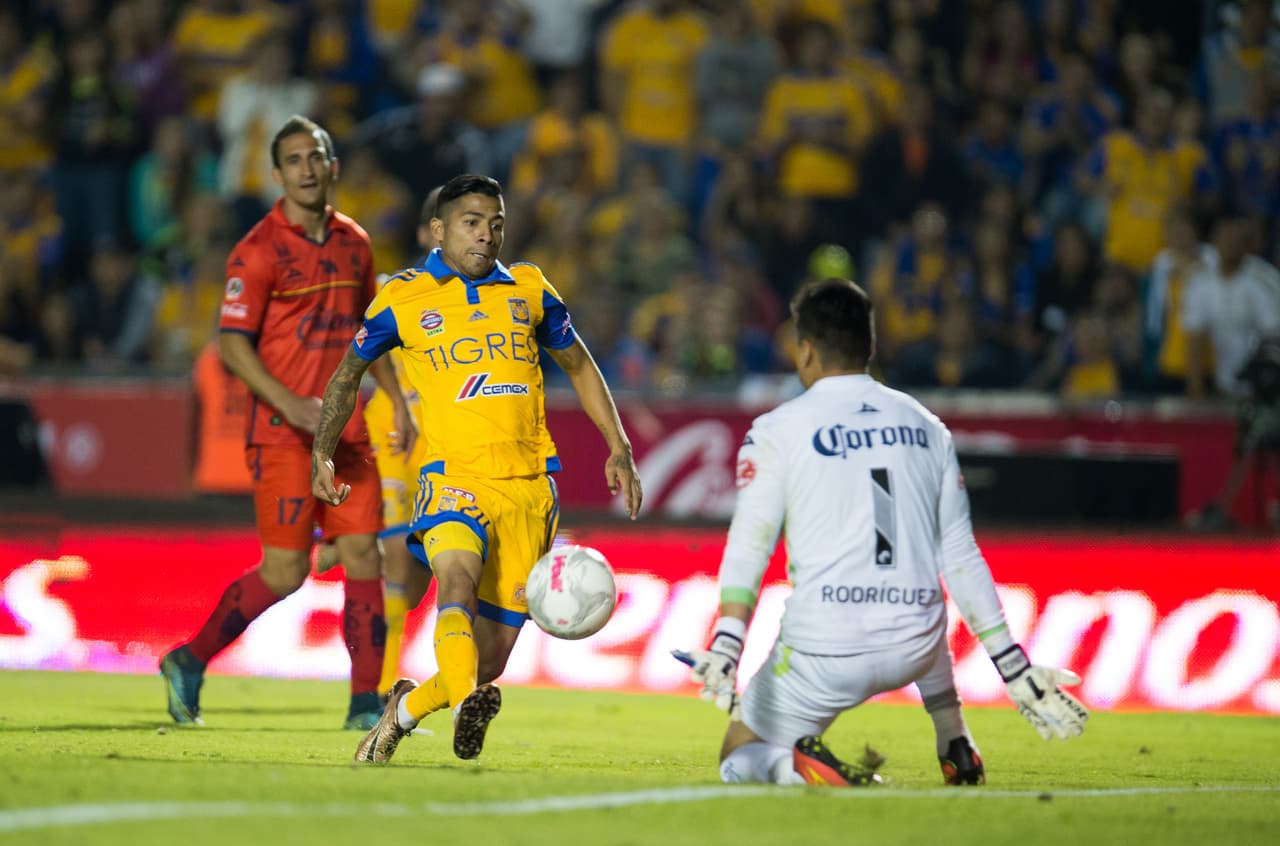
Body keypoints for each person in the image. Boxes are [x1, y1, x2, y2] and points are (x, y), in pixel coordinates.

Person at [682, 278, 1089, 787]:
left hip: (826, 650)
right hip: (914, 646)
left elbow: (751, 543)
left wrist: (727, 643)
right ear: (870, 346)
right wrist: (1012, 665)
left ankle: (799, 769)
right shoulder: (928, 426)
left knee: (738, 755)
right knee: (915, 582)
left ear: (805, 351)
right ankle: (954, 737)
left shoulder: (777, 430)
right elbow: (959, 555)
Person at [311, 173, 642, 763]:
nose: (486, 235)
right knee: (456, 583)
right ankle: (466, 704)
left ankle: (403, 711)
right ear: (439, 230)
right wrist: (323, 451)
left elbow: (579, 364)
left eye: (496, 224)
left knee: (487, 660)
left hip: (529, 489)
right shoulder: (403, 297)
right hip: (452, 478)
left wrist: (618, 445)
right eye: (472, 223)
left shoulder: (530, 288)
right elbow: (347, 374)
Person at [160, 115, 415, 730]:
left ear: (333, 166)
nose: (307, 168)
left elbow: (371, 331)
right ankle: (188, 659)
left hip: (347, 434)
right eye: (294, 159)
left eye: (316, 156)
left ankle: (364, 704)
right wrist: (289, 402)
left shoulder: (355, 242)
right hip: (282, 434)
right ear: (277, 174)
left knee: (365, 554)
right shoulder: (256, 250)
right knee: (286, 571)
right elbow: (232, 344)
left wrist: (397, 400)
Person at [315, 187, 443, 695]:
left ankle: (339, 543)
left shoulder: (481, 296)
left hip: (443, 441)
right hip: (392, 434)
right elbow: (360, 352)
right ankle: (376, 693)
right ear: (426, 232)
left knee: (414, 583)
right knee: (394, 565)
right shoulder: (395, 289)